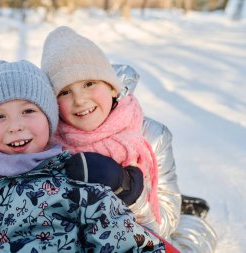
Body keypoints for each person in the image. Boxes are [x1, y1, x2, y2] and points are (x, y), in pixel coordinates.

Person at [0, 60, 169, 252]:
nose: (15, 126)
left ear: (50, 119)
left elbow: (128, 241)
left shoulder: (76, 185)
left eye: (28, 111)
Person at [38, 26, 217, 253]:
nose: (80, 100)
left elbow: (164, 226)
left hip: (143, 225)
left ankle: (189, 214)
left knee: (190, 241)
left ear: (111, 87)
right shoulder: (47, 142)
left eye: (89, 84)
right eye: (64, 92)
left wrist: (130, 191)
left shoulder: (150, 136)